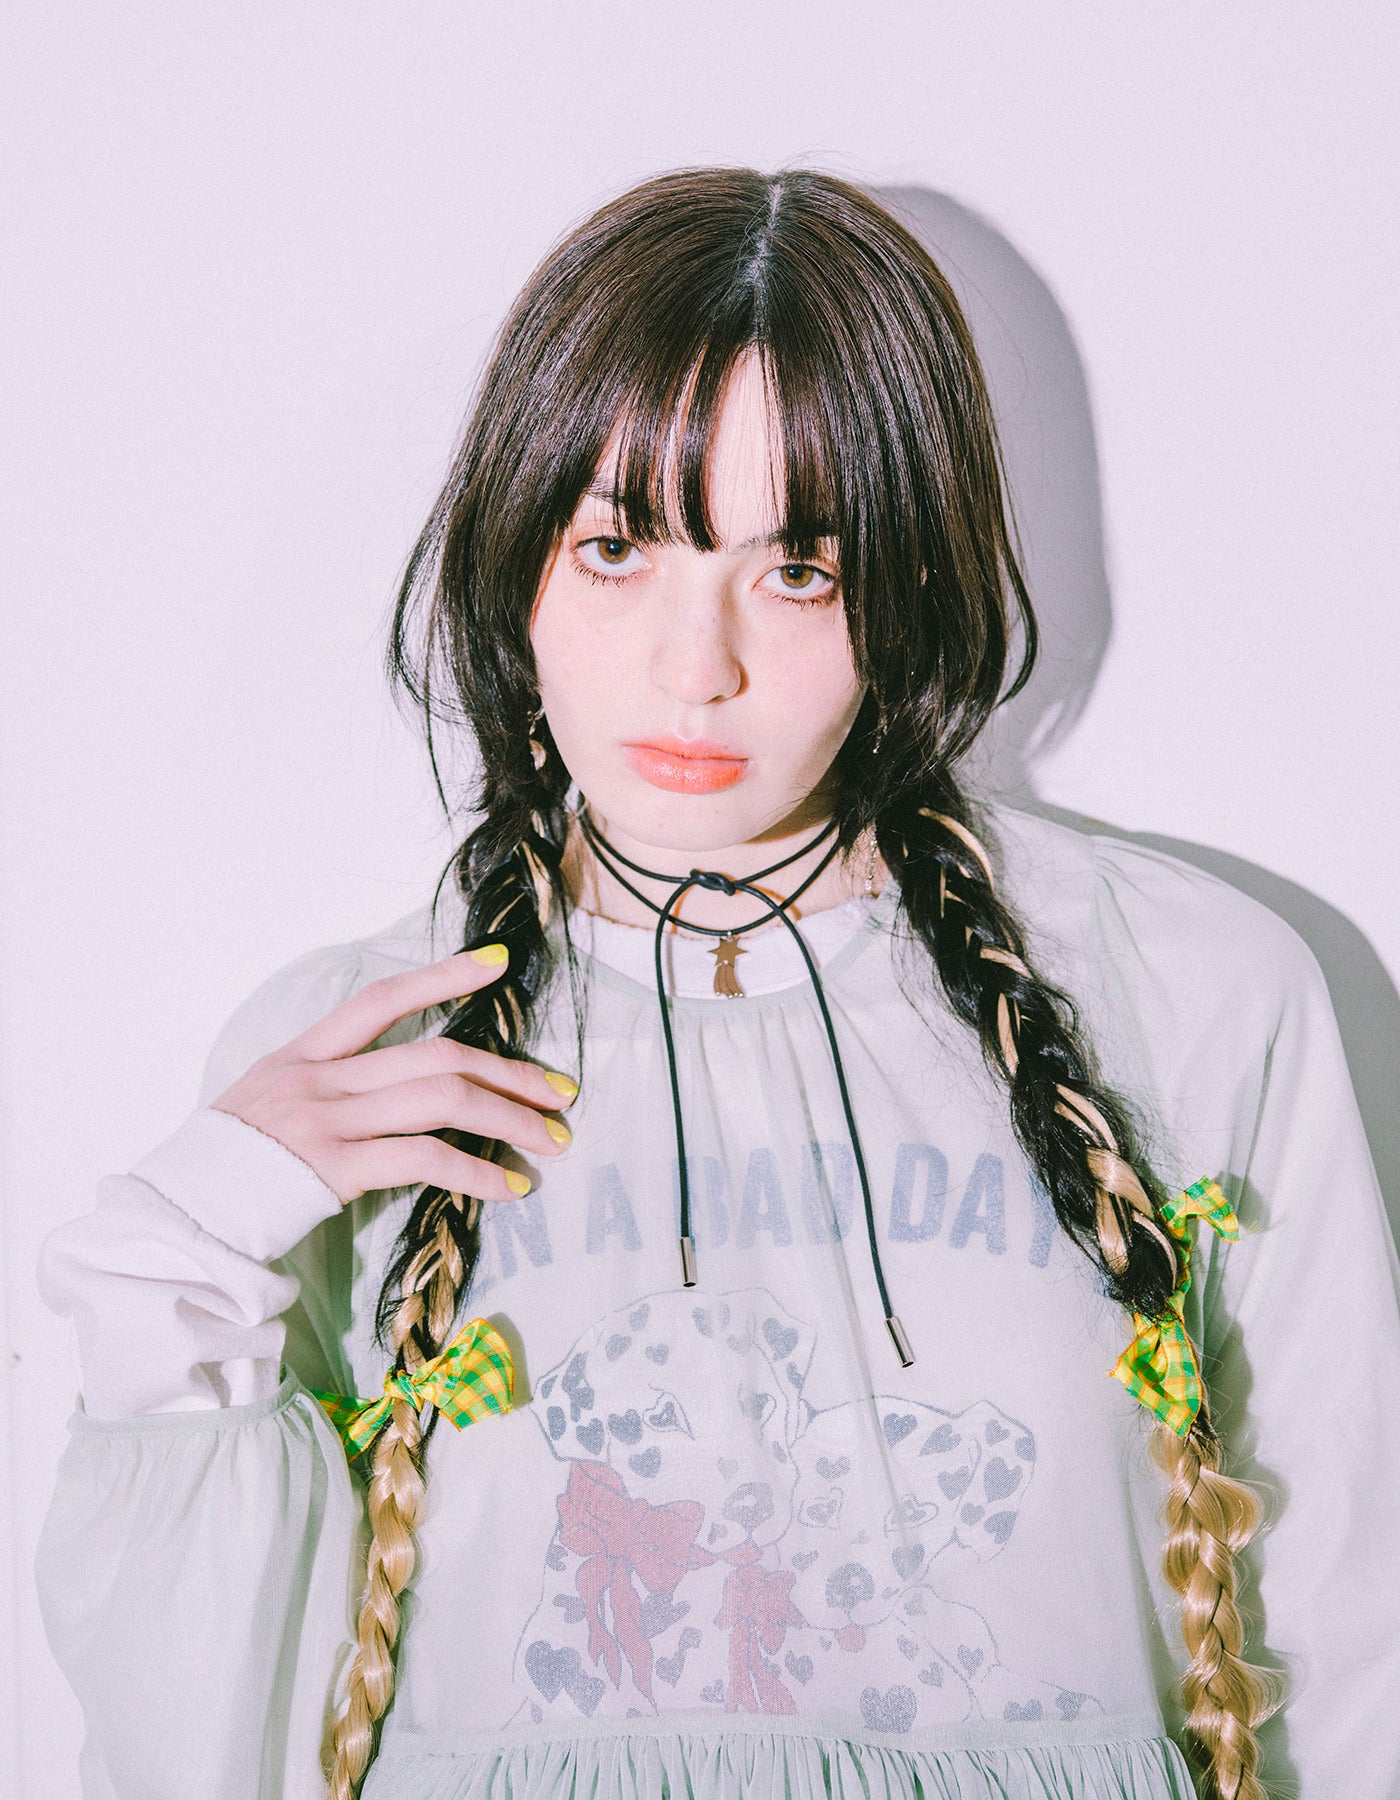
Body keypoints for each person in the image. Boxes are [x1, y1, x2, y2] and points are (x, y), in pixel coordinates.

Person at [33, 168, 1400, 1800]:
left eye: (800, 570)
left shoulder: (1188, 993)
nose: (701, 669)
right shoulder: (356, 1059)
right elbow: (212, 1738)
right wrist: (180, 1250)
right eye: (618, 549)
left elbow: (1355, 1636)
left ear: (911, 589)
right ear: (514, 561)